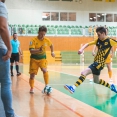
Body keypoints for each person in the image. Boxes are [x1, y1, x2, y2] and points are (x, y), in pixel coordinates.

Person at [64, 27, 117, 94]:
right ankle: (111, 87)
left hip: (99, 63)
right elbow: (88, 44)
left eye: (99, 35)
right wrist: (81, 49)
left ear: (103, 33)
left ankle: (73, 87)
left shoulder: (109, 41)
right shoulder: (98, 40)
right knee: (96, 81)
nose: (98, 36)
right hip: (97, 63)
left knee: (84, 72)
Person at [0, 0, 22, 117]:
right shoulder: (1, 5)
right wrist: (9, 48)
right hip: (1, 50)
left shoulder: (17, 41)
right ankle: (10, 114)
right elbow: (3, 27)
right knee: (5, 83)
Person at [29, 26, 55, 93]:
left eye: (44, 34)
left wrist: (52, 52)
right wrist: (38, 50)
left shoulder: (47, 40)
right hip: (34, 59)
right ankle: (32, 88)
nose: (42, 36)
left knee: (44, 70)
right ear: (38, 32)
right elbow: (31, 51)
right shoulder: (33, 40)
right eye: (41, 34)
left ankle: (47, 85)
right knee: (32, 75)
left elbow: (51, 45)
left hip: (42, 58)